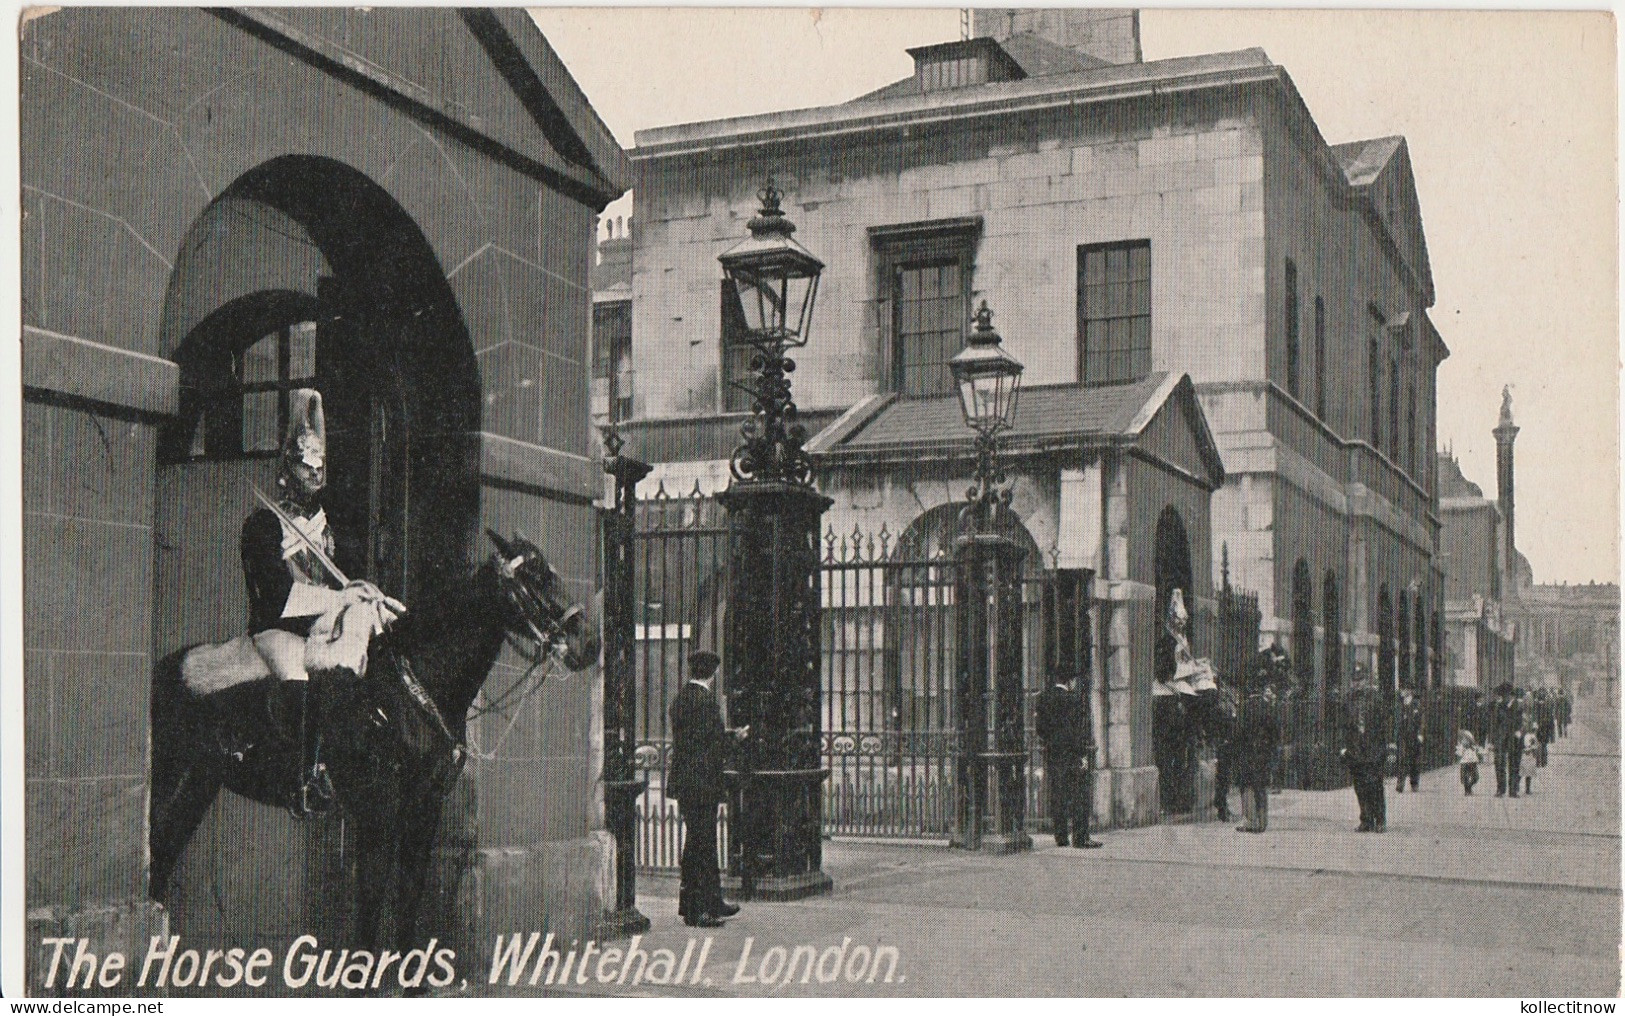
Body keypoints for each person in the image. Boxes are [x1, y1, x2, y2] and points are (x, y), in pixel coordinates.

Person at [241, 389, 400, 818]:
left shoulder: (325, 530)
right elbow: (277, 596)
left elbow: (344, 583)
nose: (312, 474)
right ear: (287, 468)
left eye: (318, 467)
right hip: (279, 627)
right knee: (303, 676)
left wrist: (364, 596)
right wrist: (337, 598)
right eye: (304, 465)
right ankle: (307, 777)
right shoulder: (262, 524)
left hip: (320, 622)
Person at [668, 650, 747, 927]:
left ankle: (709, 902)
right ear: (713, 674)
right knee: (702, 845)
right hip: (702, 783)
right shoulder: (706, 702)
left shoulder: (681, 699)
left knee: (698, 842)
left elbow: (694, 740)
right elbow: (710, 745)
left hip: (687, 783)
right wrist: (733, 739)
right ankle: (698, 909)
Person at [1036, 672, 1101, 848]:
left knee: (1058, 795)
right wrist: (1082, 755)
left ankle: (1061, 837)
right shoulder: (1073, 700)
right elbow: (1078, 731)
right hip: (1072, 754)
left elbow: (1040, 729)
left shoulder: (1043, 698)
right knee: (1080, 795)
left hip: (1053, 754)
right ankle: (1080, 838)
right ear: (1070, 680)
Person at [1340, 667, 1394, 832]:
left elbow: (1387, 723)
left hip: (1374, 749)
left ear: (1366, 681)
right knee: (1360, 786)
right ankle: (1366, 819)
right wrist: (1343, 746)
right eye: (1355, 681)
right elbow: (1342, 725)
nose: (1357, 684)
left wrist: (1390, 745)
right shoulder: (1347, 700)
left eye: (1360, 680)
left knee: (1375, 785)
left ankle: (1380, 819)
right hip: (1355, 750)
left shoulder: (1376, 699)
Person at [1235, 684, 1280, 833]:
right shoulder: (1268, 707)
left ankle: (1250, 821)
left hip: (1247, 751)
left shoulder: (1243, 707)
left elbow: (1238, 731)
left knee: (1247, 785)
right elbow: (1275, 732)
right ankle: (1262, 821)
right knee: (1261, 786)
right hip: (1264, 751)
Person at [1209, 681, 1239, 823]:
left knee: (1226, 777)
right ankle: (1221, 806)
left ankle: (1222, 804)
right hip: (1224, 745)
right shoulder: (1219, 709)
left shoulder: (1227, 707)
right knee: (1223, 777)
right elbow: (1221, 726)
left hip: (1228, 744)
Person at [1487, 683, 1522, 798]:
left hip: (1514, 739)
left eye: (1504, 695)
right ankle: (1500, 789)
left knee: (1514, 764)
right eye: (1501, 695)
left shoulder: (1519, 706)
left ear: (1511, 695)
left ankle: (1513, 790)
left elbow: (1524, 722)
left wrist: (1520, 732)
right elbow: (1494, 724)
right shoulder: (1499, 707)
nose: (1502, 698)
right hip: (1500, 739)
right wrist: (1492, 741)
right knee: (1499, 764)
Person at [1394, 688, 1424, 793]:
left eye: (1407, 696)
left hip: (1414, 737)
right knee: (1402, 759)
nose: (1405, 699)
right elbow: (1397, 723)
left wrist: (1420, 734)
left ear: (1411, 696)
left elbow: (1422, 721)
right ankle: (1400, 783)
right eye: (1403, 697)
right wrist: (1395, 738)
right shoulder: (1400, 707)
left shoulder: (1417, 706)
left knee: (1414, 761)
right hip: (1403, 737)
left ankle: (1414, 783)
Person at [1455, 730, 1482, 795]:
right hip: (1464, 763)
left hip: (1473, 762)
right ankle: (1467, 791)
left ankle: (1469, 787)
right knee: (1465, 777)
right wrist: (1461, 749)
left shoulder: (1473, 747)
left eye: (1467, 739)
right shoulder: (1461, 747)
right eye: (1463, 739)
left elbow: (1480, 752)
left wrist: (1480, 752)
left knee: (1475, 777)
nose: (1465, 741)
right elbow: (1459, 754)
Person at [1521, 730, 1541, 795]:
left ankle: (1527, 788)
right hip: (1523, 754)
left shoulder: (1533, 736)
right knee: (1522, 771)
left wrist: (1533, 749)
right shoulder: (1523, 735)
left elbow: (1536, 746)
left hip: (1530, 755)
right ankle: (1516, 788)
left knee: (1529, 772)